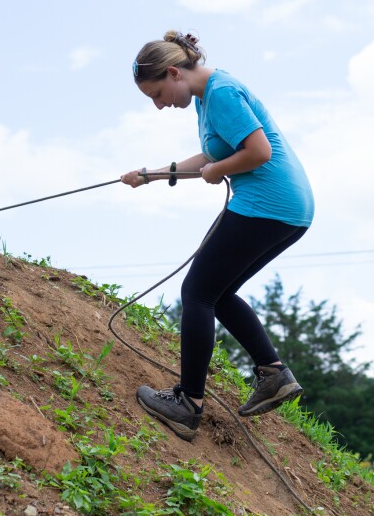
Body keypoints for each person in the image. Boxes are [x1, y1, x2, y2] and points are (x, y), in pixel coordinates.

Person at [120, 30, 314, 442]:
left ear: (174, 73)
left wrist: (222, 170)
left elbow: (258, 152)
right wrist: (153, 175)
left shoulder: (221, 92)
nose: (159, 105)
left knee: (197, 292)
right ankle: (273, 374)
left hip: (267, 203)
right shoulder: (210, 97)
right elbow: (210, 156)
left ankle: (188, 403)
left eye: (157, 94)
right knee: (218, 292)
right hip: (288, 209)